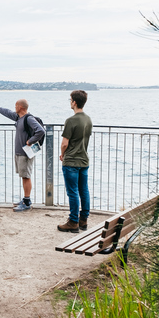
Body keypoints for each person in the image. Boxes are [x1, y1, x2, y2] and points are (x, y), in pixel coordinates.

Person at [0, 99, 44, 211]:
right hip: (20, 152)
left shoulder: (29, 119)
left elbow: (41, 131)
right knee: (24, 176)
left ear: (20, 107)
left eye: (16, 105)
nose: (14, 107)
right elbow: (8, 113)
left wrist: (31, 141)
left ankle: (27, 202)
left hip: (26, 153)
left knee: (26, 176)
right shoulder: (19, 118)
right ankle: (25, 199)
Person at [57, 90, 93, 233]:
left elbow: (64, 143)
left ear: (74, 102)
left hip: (71, 161)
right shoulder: (88, 119)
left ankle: (73, 222)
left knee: (72, 192)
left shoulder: (71, 121)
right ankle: (83, 220)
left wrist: (62, 154)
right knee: (84, 190)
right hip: (84, 160)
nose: (70, 102)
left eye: (70, 100)